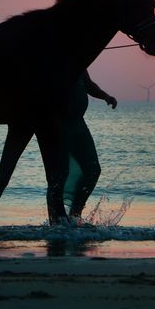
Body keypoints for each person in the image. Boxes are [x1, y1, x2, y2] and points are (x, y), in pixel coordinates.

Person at [61, 71, 117, 221]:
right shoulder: (59, 59)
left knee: (93, 170)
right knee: (60, 173)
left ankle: (75, 213)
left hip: (79, 124)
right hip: (62, 125)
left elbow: (89, 85)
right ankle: (59, 220)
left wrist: (106, 97)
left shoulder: (79, 62)